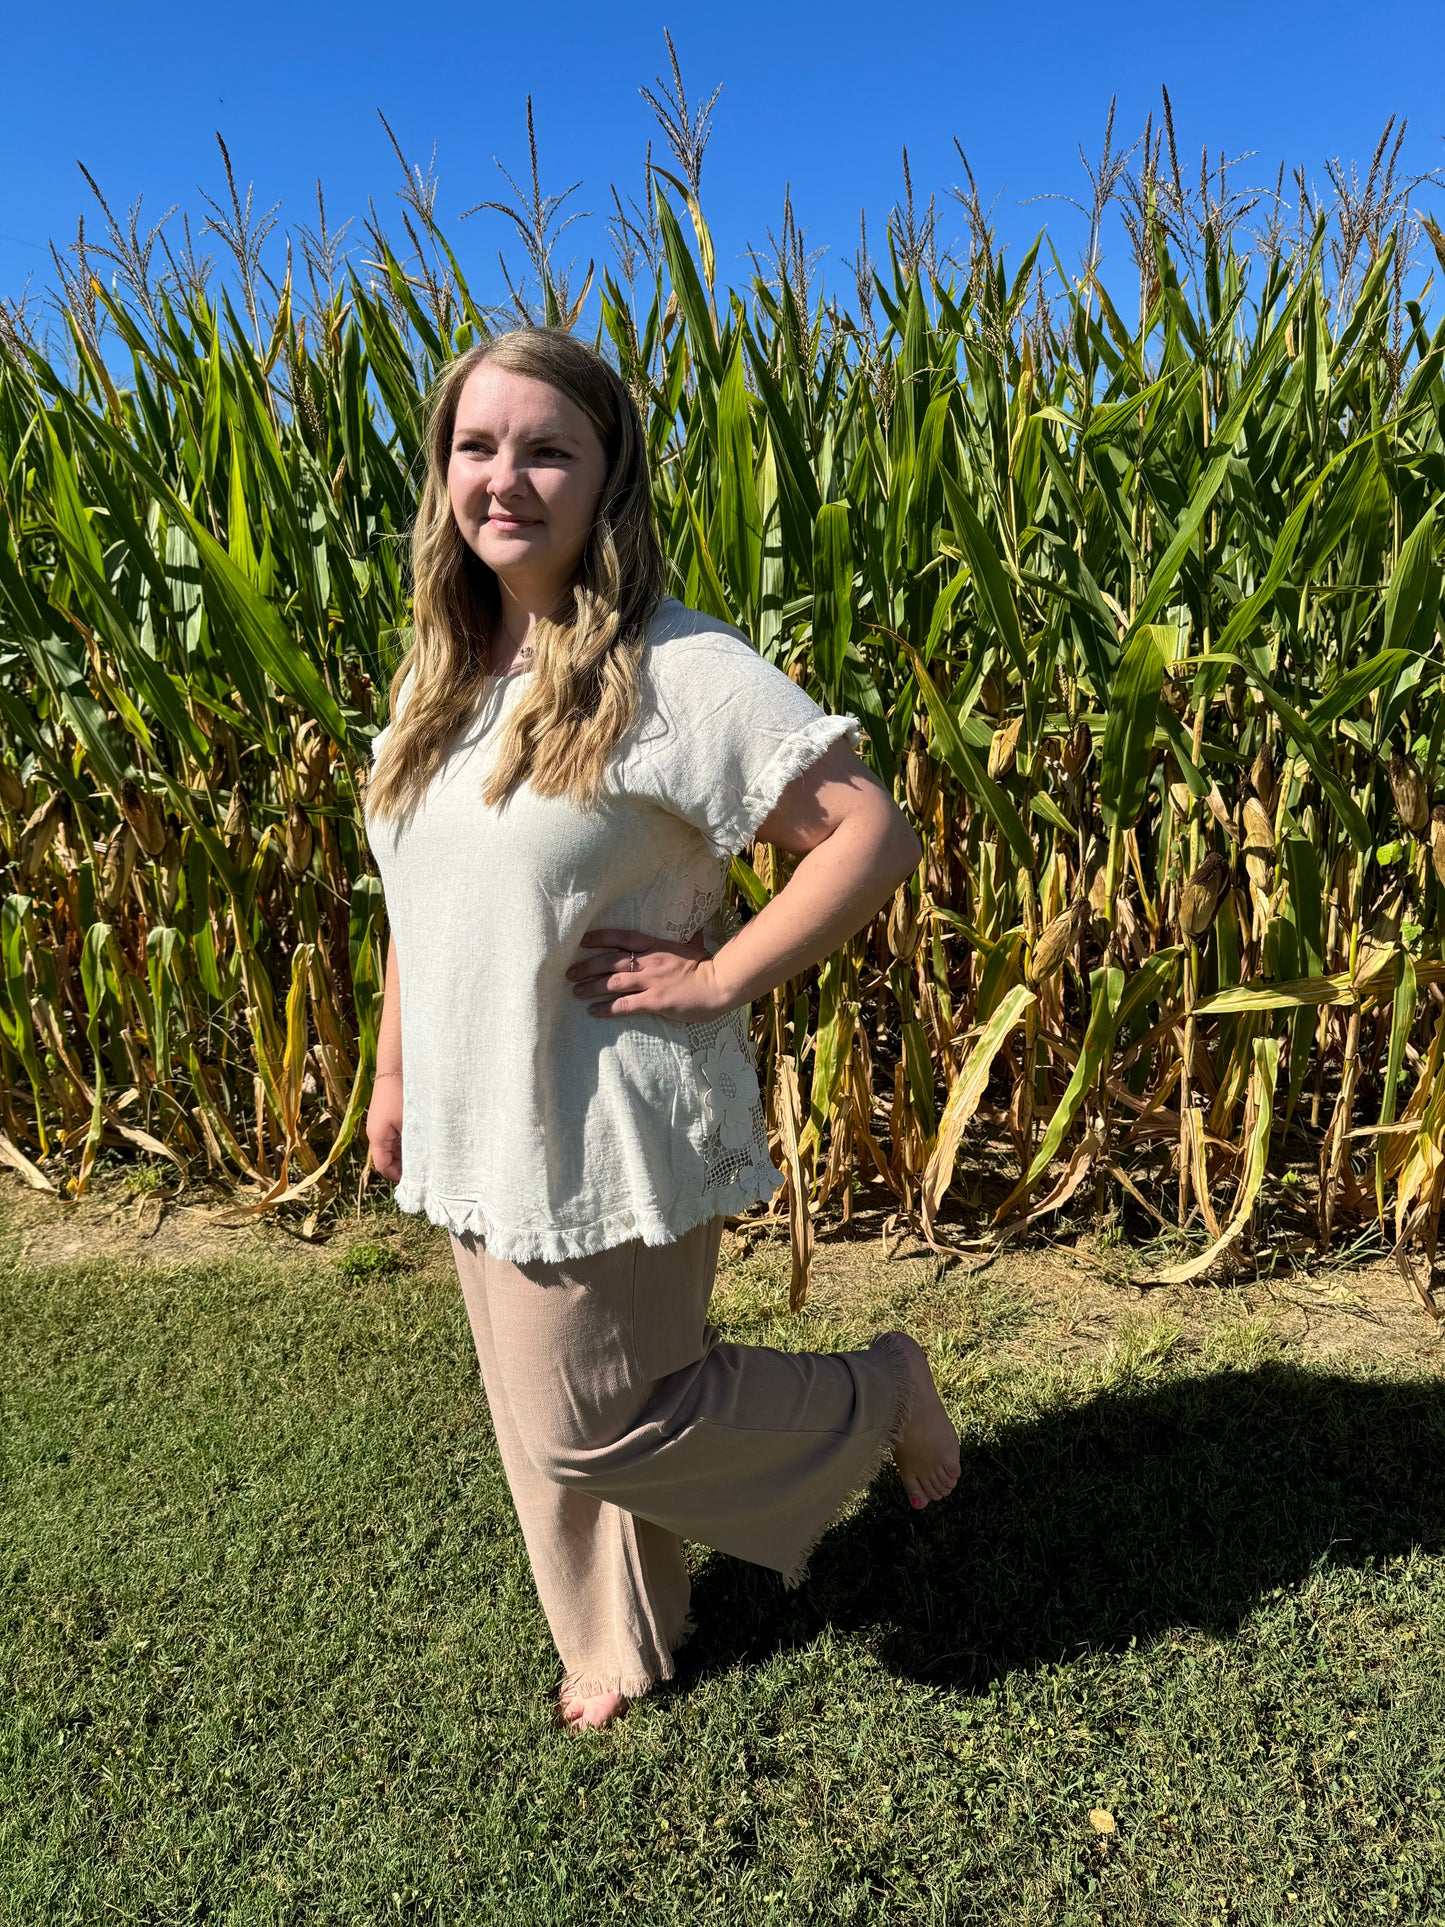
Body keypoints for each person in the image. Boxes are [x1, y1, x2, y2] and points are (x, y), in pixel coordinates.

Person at [362, 326, 960, 1734]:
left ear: (604, 478)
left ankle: (879, 1394)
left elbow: (865, 832)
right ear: (444, 470)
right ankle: (620, 1638)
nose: (504, 478)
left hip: (605, 1106)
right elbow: (416, 895)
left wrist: (717, 979)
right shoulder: (439, 673)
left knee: (598, 1416)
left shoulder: (672, 668)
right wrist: (394, 1075)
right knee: (534, 1411)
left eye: (546, 449)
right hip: (472, 1101)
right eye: (477, 445)